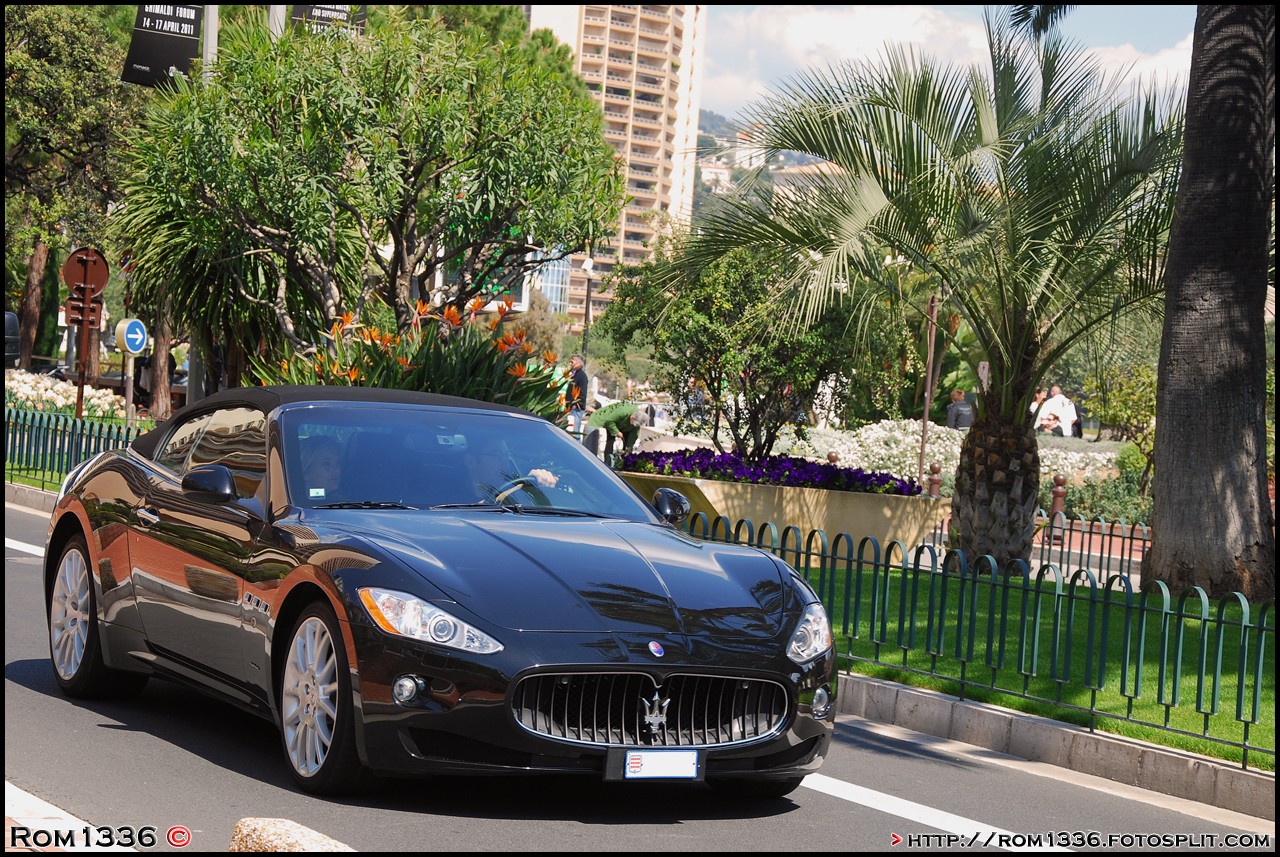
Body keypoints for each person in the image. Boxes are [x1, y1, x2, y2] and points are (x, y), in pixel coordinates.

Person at [463, 438, 558, 501]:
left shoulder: (510, 489)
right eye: (496, 456)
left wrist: (537, 484)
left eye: (507, 456)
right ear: (470, 461)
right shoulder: (452, 497)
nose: (505, 463)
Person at [301, 436, 344, 500]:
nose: (337, 470)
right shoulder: (296, 505)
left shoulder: (352, 503)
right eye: (327, 464)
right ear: (305, 473)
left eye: (338, 463)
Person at [566, 354, 590, 440]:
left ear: (578, 363)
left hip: (576, 409)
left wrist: (576, 404)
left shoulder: (582, 376)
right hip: (570, 408)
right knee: (568, 433)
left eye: (572, 362)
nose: (570, 364)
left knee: (575, 434)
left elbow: (582, 393)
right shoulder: (574, 375)